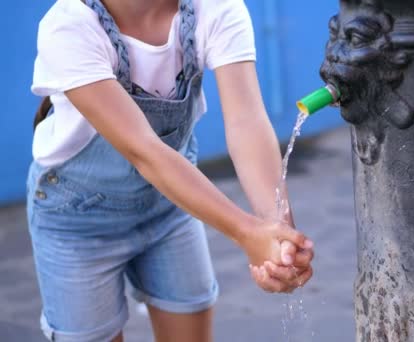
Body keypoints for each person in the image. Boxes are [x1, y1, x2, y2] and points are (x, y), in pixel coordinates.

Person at [27, 0, 315, 341]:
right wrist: (247, 232)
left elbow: (246, 121)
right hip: (78, 222)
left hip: (169, 208)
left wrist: (276, 228)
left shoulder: (216, 8)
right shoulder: (69, 27)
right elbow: (144, 151)